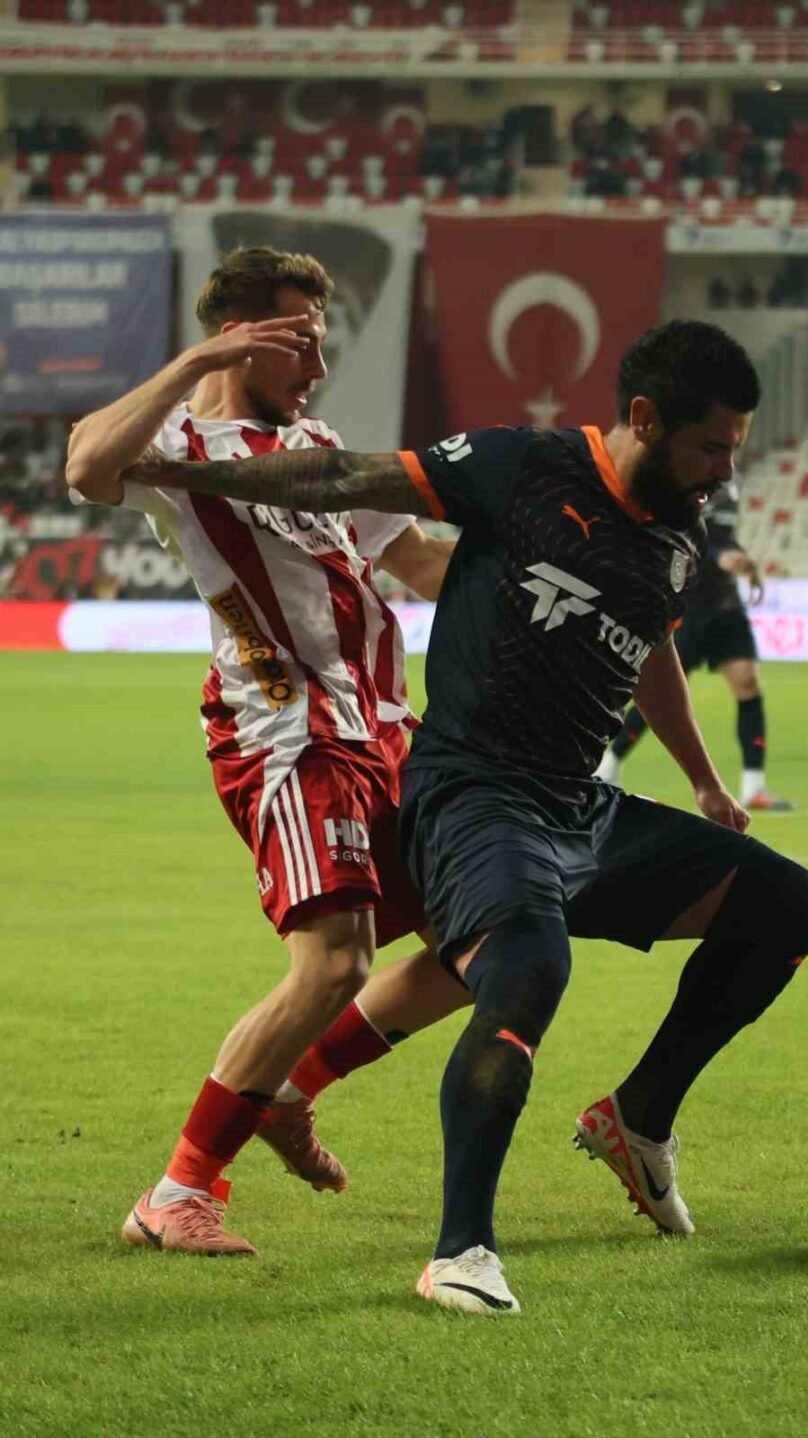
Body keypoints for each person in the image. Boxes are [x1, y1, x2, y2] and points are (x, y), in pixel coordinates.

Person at [125, 320, 808, 1314]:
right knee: (526, 965)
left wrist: (707, 781)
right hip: (470, 792)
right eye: (710, 446)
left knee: (788, 904)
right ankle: (459, 1252)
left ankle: (637, 1118)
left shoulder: (677, 531)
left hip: (576, 803)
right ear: (642, 418)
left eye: (733, 449)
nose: (724, 470)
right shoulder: (522, 467)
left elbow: (651, 647)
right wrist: (192, 476)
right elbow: (343, 480)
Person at [66, 246, 470, 1258]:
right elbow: (83, 466)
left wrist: (550, 559)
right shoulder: (176, 441)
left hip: (384, 732)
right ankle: (175, 1193)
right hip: (291, 733)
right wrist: (195, 361)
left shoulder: (315, 445)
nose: (319, 367)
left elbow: (419, 560)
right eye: (301, 343)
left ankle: (288, 1089)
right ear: (239, 337)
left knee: (486, 941)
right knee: (333, 962)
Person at [596, 482, 794, 811]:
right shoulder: (685, 478)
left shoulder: (727, 486)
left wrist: (742, 562)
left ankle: (754, 786)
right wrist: (717, 557)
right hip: (689, 604)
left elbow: (721, 536)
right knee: (662, 692)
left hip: (725, 605)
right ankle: (609, 765)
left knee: (747, 682)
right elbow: (681, 533)